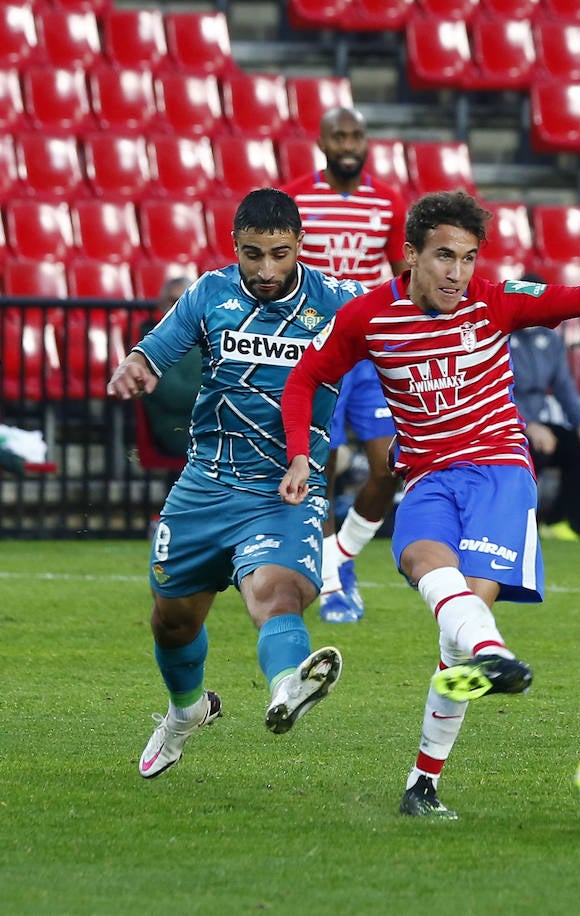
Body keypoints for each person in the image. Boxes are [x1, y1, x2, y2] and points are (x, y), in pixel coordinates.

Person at [277, 191, 580, 818]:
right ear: (410, 255)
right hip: (427, 478)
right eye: (443, 257)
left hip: (498, 472)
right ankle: (491, 660)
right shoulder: (369, 316)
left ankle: (424, 782)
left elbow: (578, 297)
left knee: (459, 629)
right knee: (423, 565)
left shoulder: (494, 300)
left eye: (467, 258)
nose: (457, 273)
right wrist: (300, 453)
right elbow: (305, 377)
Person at [106, 188, 368, 780]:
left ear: (300, 244)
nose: (266, 269)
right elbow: (155, 351)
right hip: (205, 484)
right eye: (253, 255)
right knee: (172, 621)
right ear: (235, 246)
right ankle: (185, 713)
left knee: (275, 592)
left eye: (280, 254)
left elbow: (406, 328)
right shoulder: (210, 293)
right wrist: (135, 366)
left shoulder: (339, 300)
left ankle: (288, 685)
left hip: (285, 489)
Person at [281, 106, 409, 625]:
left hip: (371, 351)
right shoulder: (295, 198)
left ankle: (340, 556)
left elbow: (403, 276)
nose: (349, 144)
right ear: (322, 142)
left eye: (357, 135)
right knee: (324, 469)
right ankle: (334, 585)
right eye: (339, 136)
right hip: (317, 350)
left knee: (389, 466)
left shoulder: (387, 201)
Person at [508, 274, 580, 541]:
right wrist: (526, 424)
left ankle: (558, 520)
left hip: (538, 424)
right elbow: (497, 388)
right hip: (506, 423)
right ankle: (521, 523)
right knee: (532, 452)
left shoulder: (549, 339)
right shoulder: (501, 335)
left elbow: (563, 386)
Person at [137, 275, 197, 459]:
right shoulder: (150, 343)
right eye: (173, 301)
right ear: (161, 305)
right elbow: (173, 396)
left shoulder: (207, 337)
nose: (178, 308)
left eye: (184, 302)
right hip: (177, 430)